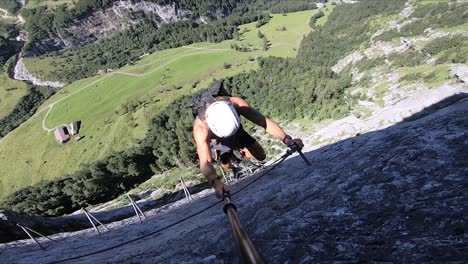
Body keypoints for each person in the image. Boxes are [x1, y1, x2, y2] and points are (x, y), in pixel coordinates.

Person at [192, 85, 304, 198]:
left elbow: (263, 121)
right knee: (226, 162)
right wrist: (216, 182)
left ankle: (238, 155)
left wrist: (287, 140)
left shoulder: (236, 103)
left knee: (261, 155)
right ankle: (232, 166)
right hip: (217, 142)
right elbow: (205, 162)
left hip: (237, 132)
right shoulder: (201, 127)